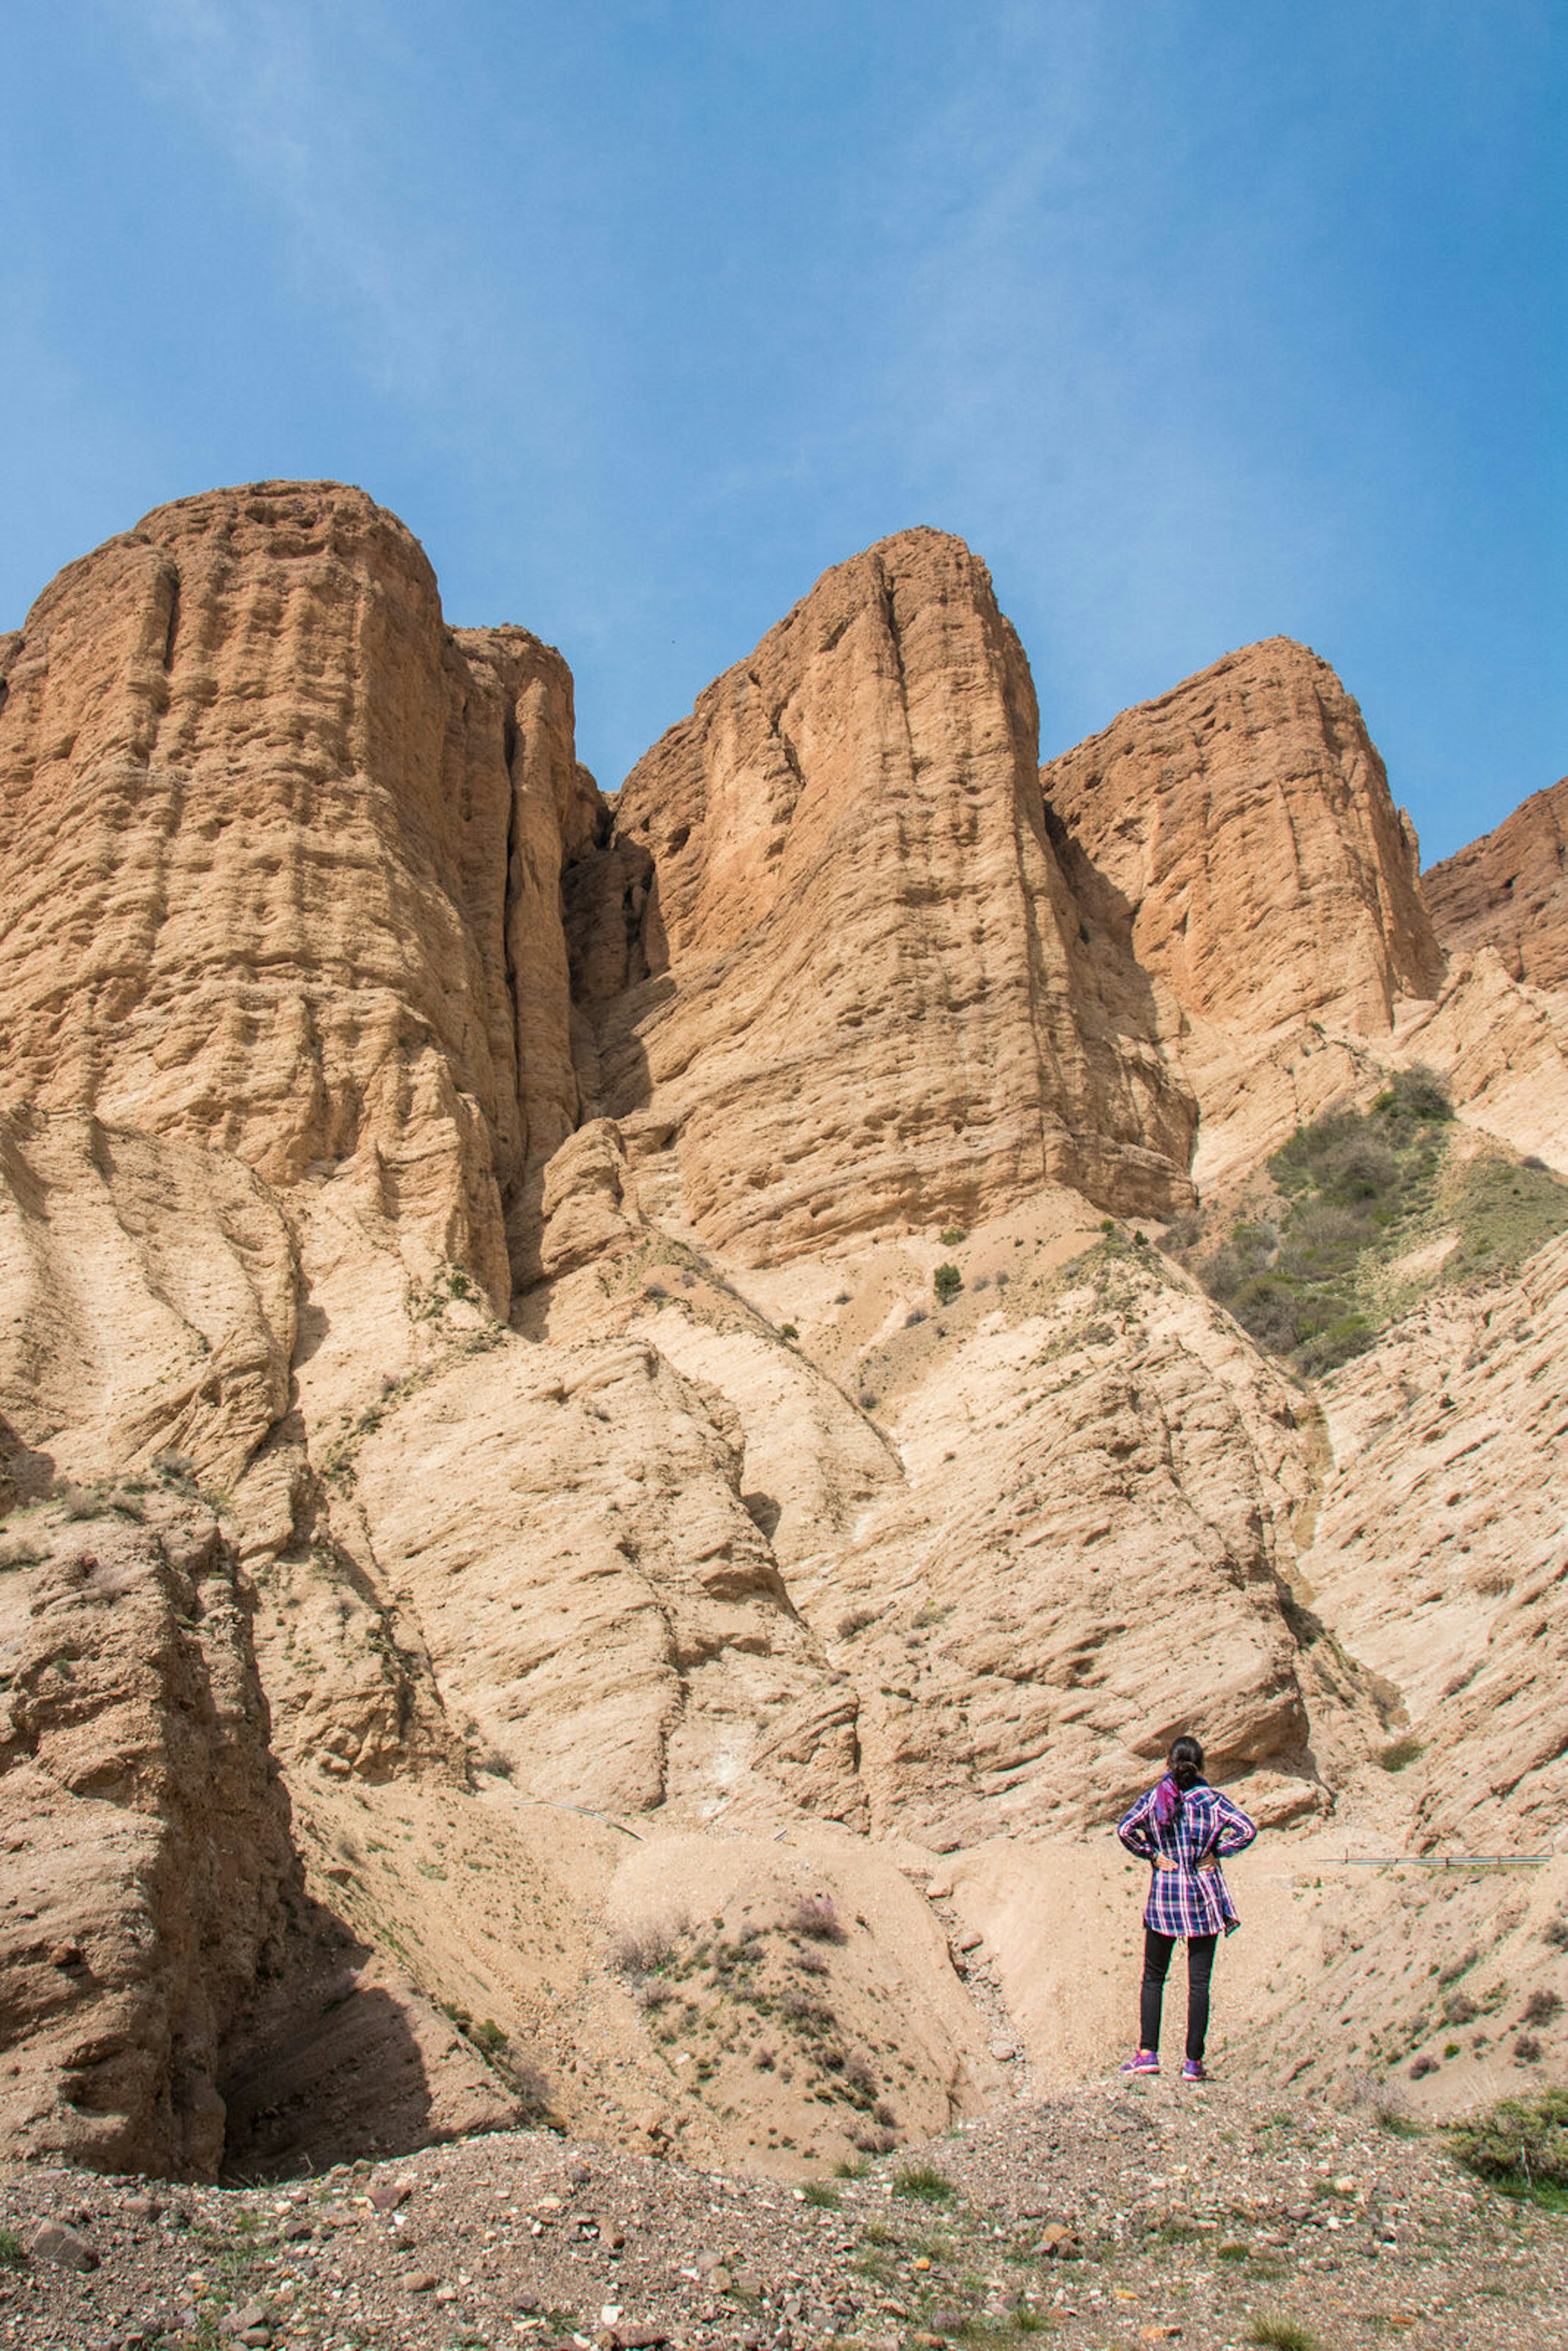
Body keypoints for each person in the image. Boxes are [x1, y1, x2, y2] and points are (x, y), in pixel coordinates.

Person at [1115, 1734, 1256, 2081]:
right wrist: (1217, 1854)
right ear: (1201, 1765)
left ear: (1169, 1763)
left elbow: (1125, 1829)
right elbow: (1247, 1830)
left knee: (1153, 1977)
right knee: (1199, 1985)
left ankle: (1148, 2053)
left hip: (1166, 1895)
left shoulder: (1156, 1799)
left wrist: (1153, 1855)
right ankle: (1193, 2063)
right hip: (1203, 1896)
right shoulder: (1212, 1801)